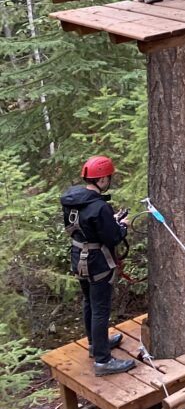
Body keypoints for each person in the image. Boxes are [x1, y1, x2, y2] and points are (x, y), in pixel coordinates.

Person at [61, 156, 135, 376]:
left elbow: (86, 226)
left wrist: (109, 220)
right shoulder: (99, 206)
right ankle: (103, 361)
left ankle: (96, 345)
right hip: (98, 262)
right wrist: (122, 226)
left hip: (78, 258)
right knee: (100, 309)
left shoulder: (72, 200)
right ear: (102, 179)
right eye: (108, 178)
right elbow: (112, 238)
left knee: (89, 303)